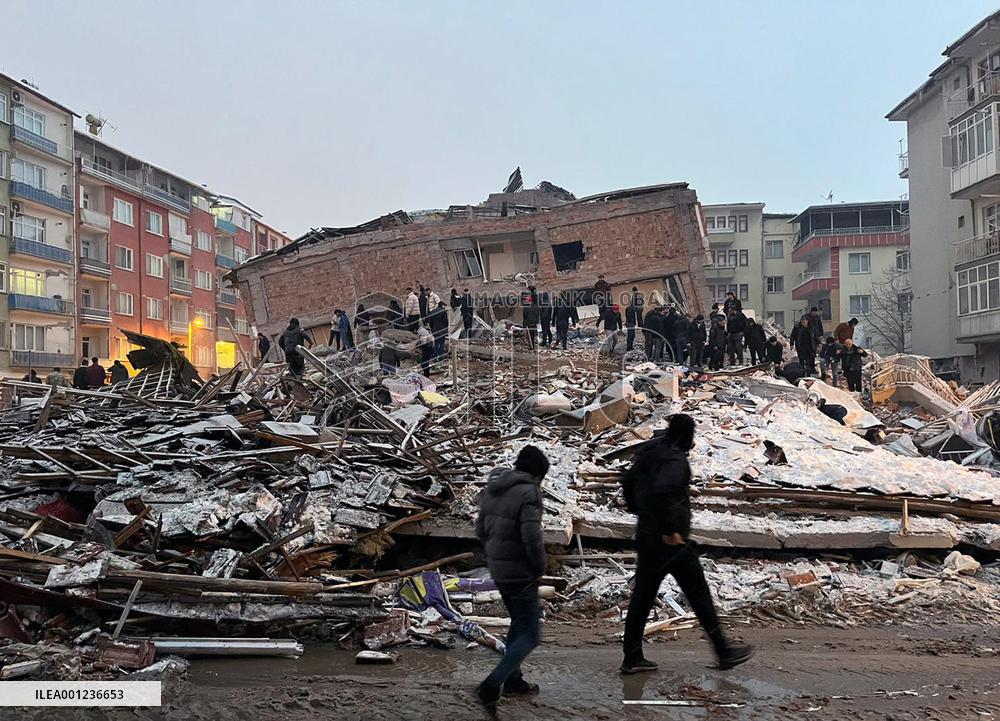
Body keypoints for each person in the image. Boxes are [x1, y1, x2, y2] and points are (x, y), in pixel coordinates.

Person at [620, 414, 752, 675]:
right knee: (699, 595)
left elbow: (627, 482)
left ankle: (632, 657)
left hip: (646, 536)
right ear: (687, 435)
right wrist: (670, 530)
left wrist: (640, 512)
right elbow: (663, 491)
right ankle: (724, 651)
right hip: (671, 543)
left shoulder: (650, 452)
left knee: (642, 599)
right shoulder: (674, 459)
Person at [475, 445, 549, 713]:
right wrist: (539, 566)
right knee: (530, 635)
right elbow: (531, 537)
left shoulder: (494, 489)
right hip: (521, 572)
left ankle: (513, 680)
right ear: (538, 473)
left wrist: (496, 553)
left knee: (518, 622)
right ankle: (492, 683)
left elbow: (480, 530)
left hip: (498, 569)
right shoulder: (529, 492)